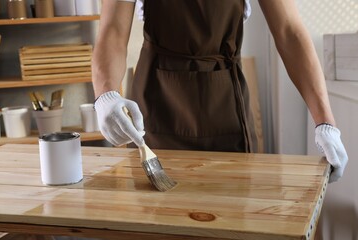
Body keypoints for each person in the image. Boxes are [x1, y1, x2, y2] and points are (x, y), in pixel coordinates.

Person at [92, 0, 348, 183]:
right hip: (156, 107)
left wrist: (325, 122)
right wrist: (105, 93)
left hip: (226, 109)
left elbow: (289, 31)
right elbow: (112, 29)